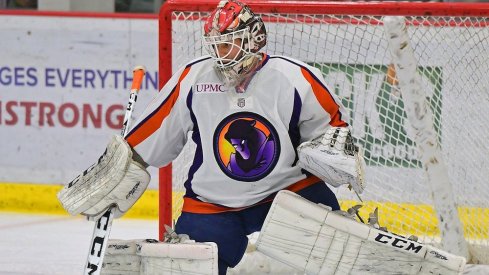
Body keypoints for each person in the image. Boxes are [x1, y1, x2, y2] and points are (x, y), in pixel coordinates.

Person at [58, 0, 363, 274]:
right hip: (213, 201)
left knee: (339, 259)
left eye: (228, 44)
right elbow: (153, 137)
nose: (220, 53)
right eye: (215, 45)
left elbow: (332, 132)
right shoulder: (194, 78)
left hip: (289, 191)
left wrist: (335, 154)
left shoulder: (296, 78)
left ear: (253, 39)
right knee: (189, 270)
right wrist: (122, 167)